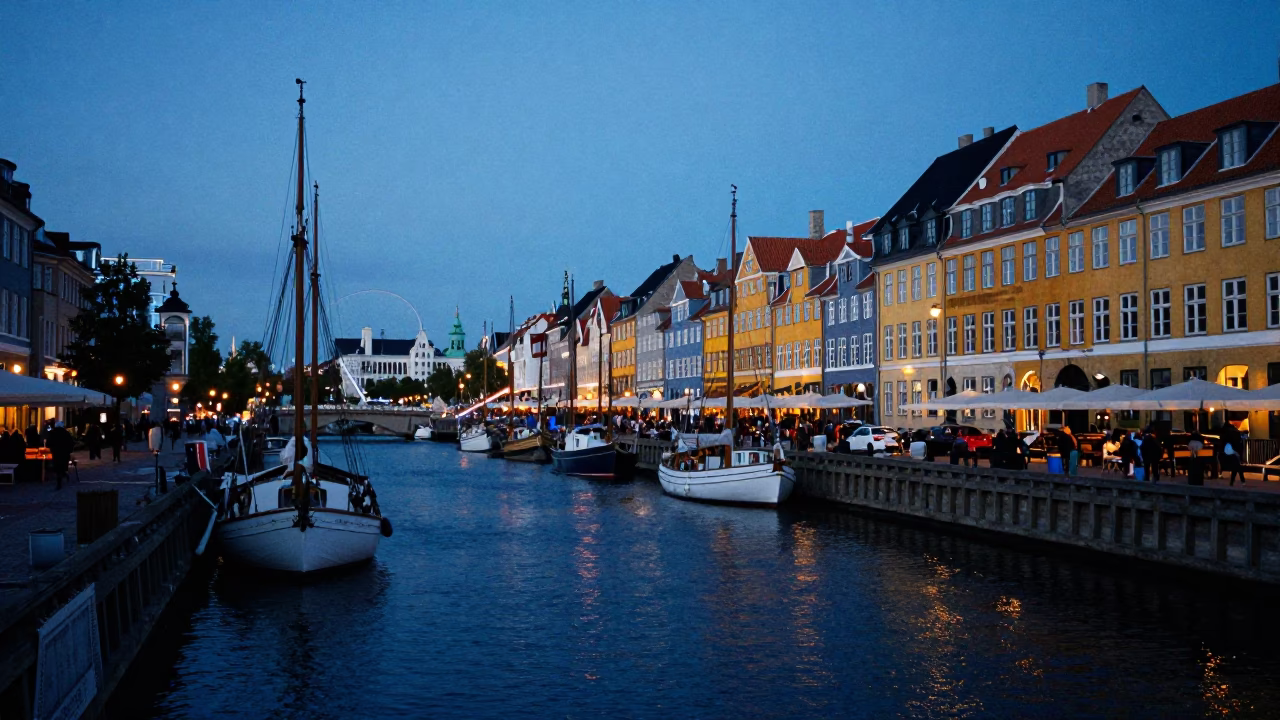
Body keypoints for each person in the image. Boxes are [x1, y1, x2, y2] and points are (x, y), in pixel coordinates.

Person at [47, 421, 74, 489]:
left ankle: (59, 482)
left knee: (57, 467)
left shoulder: (52, 433)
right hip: (64, 453)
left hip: (56, 453)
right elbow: (71, 443)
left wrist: (51, 448)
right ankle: (63, 475)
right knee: (63, 466)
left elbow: (48, 443)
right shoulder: (66, 433)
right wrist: (69, 451)